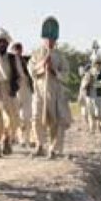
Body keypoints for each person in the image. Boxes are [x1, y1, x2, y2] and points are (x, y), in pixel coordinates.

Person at [28, 17, 72, 159]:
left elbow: (66, 75)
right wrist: (42, 65)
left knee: (57, 121)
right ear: (43, 38)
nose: (50, 41)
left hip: (55, 91)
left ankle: (53, 149)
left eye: (52, 39)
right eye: (47, 39)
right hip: (39, 89)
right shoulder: (36, 54)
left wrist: (54, 70)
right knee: (36, 118)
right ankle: (39, 145)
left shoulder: (60, 56)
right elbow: (31, 70)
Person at [0, 28, 20, 157]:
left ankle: (7, 140)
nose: (2, 45)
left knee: (12, 119)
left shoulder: (12, 58)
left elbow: (18, 75)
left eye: (5, 43)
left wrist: (14, 87)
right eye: (0, 42)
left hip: (8, 89)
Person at [11, 42, 34, 147]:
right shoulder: (10, 61)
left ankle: (27, 138)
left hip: (26, 89)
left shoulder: (26, 59)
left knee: (27, 116)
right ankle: (20, 138)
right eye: (16, 49)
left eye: (19, 49)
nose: (18, 51)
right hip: (16, 90)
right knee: (18, 117)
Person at [80, 53, 101, 133]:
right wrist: (87, 83)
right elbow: (83, 85)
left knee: (99, 115)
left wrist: (95, 83)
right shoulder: (88, 73)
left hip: (100, 97)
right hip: (90, 96)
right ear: (93, 63)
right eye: (97, 63)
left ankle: (100, 126)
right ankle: (92, 129)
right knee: (91, 114)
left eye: (100, 63)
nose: (98, 65)